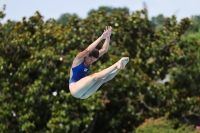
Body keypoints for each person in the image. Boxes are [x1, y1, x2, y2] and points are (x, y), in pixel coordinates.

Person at [69, 26, 129, 99]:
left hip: (84, 93)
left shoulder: (91, 58)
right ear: (87, 56)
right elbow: (88, 50)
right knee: (95, 76)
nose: (91, 62)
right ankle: (116, 64)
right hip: (75, 88)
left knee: (102, 79)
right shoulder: (79, 59)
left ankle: (119, 68)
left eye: (94, 61)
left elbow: (104, 49)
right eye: (91, 60)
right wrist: (101, 37)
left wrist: (108, 37)